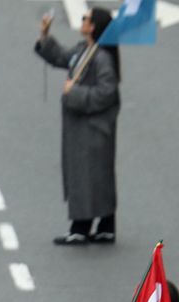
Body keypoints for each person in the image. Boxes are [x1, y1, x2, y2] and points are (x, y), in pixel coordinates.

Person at [36, 6, 121, 244]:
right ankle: (105, 224)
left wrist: (74, 93)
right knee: (92, 176)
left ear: (94, 27)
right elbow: (62, 57)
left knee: (88, 176)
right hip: (82, 127)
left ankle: (81, 227)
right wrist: (45, 37)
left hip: (93, 129)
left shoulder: (101, 57)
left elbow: (108, 92)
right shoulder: (85, 50)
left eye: (85, 18)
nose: (82, 21)